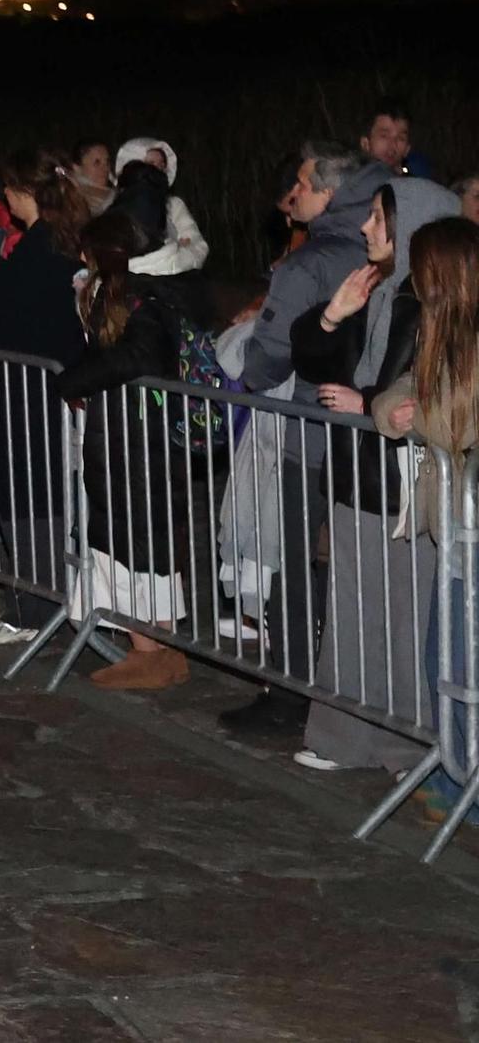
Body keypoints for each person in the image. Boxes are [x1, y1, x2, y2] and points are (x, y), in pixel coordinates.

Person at [289, 178, 461, 772]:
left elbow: (421, 393)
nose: (365, 228)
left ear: (410, 225)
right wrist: (334, 316)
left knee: (403, 617)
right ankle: (346, 737)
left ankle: (398, 744)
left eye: (378, 218)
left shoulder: (433, 305)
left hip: (401, 486)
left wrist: (370, 406)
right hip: (356, 476)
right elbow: (312, 360)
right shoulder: (378, 292)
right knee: (355, 611)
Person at [222, 141, 392, 735]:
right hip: (373, 439)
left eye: (302, 182)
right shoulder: (390, 247)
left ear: (329, 192)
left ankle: (291, 692)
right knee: (353, 566)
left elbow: (270, 361)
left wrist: (244, 368)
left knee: (293, 565)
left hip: (309, 435)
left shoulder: (307, 264)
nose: (294, 192)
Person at [0, 146, 92, 642]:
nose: (5, 198)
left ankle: (35, 611)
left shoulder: (43, 245)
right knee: (30, 495)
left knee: (27, 497)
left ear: (26, 192)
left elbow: (14, 311)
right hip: (34, 386)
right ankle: (27, 602)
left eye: (10, 189)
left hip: (25, 390)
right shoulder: (58, 238)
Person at [54, 212, 204, 690]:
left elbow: (136, 356)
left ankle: (150, 649)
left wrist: (72, 381)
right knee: (141, 539)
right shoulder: (146, 291)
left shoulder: (143, 298)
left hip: (135, 439)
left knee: (131, 539)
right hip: (133, 435)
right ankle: (159, 647)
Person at [372, 218, 479, 819]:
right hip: (458, 529)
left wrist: (417, 416)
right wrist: (393, 409)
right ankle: (459, 773)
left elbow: (455, 427)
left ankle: (469, 785)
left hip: (474, 527)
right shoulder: (445, 330)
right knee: (447, 659)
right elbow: (407, 387)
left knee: (465, 663)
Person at [111, 139, 208, 274]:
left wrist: (175, 255)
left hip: (172, 283)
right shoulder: (112, 206)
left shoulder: (174, 205)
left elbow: (198, 248)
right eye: (150, 164)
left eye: (162, 164)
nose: (158, 169)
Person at [361, 97, 432, 181]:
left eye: (401, 138)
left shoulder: (414, 182)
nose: (393, 144)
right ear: (365, 144)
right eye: (384, 136)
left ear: (407, 149)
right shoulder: (348, 180)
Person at [69, 139, 115, 216]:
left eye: (107, 162)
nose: (106, 168)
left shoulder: (111, 195)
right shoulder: (74, 201)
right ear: (77, 168)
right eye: (97, 163)